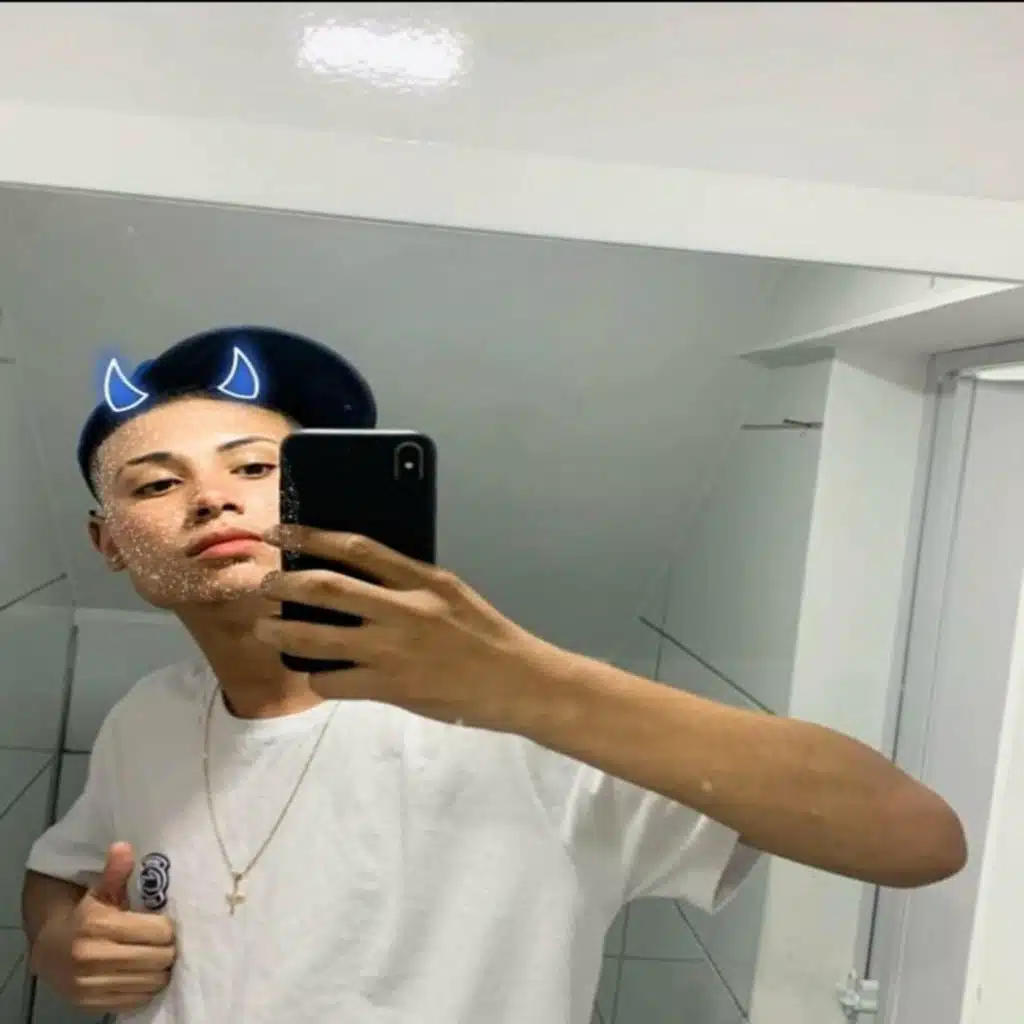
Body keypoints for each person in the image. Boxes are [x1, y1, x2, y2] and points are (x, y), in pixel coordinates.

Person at [22, 326, 966, 1024]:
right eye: (157, 483)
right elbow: (59, 869)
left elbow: (916, 839)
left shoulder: (522, 721)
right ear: (110, 544)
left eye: (256, 466)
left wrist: (525, 690)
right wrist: (62, 943)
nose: (212, 498)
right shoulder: (148, 715)